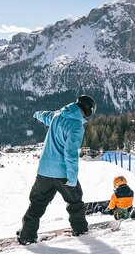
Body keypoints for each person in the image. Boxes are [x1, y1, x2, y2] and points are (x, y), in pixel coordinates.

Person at [17, 94, 97, 245]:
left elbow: (44, 116)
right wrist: (72, 179)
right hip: (63, 174)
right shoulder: (76, 126)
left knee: (36, 204)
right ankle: (80, 229)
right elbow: (71, 154)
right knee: (75, 202)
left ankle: (27, 235)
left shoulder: (57, 115)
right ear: (87, 111)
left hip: (44, 171)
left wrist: (36, 115)